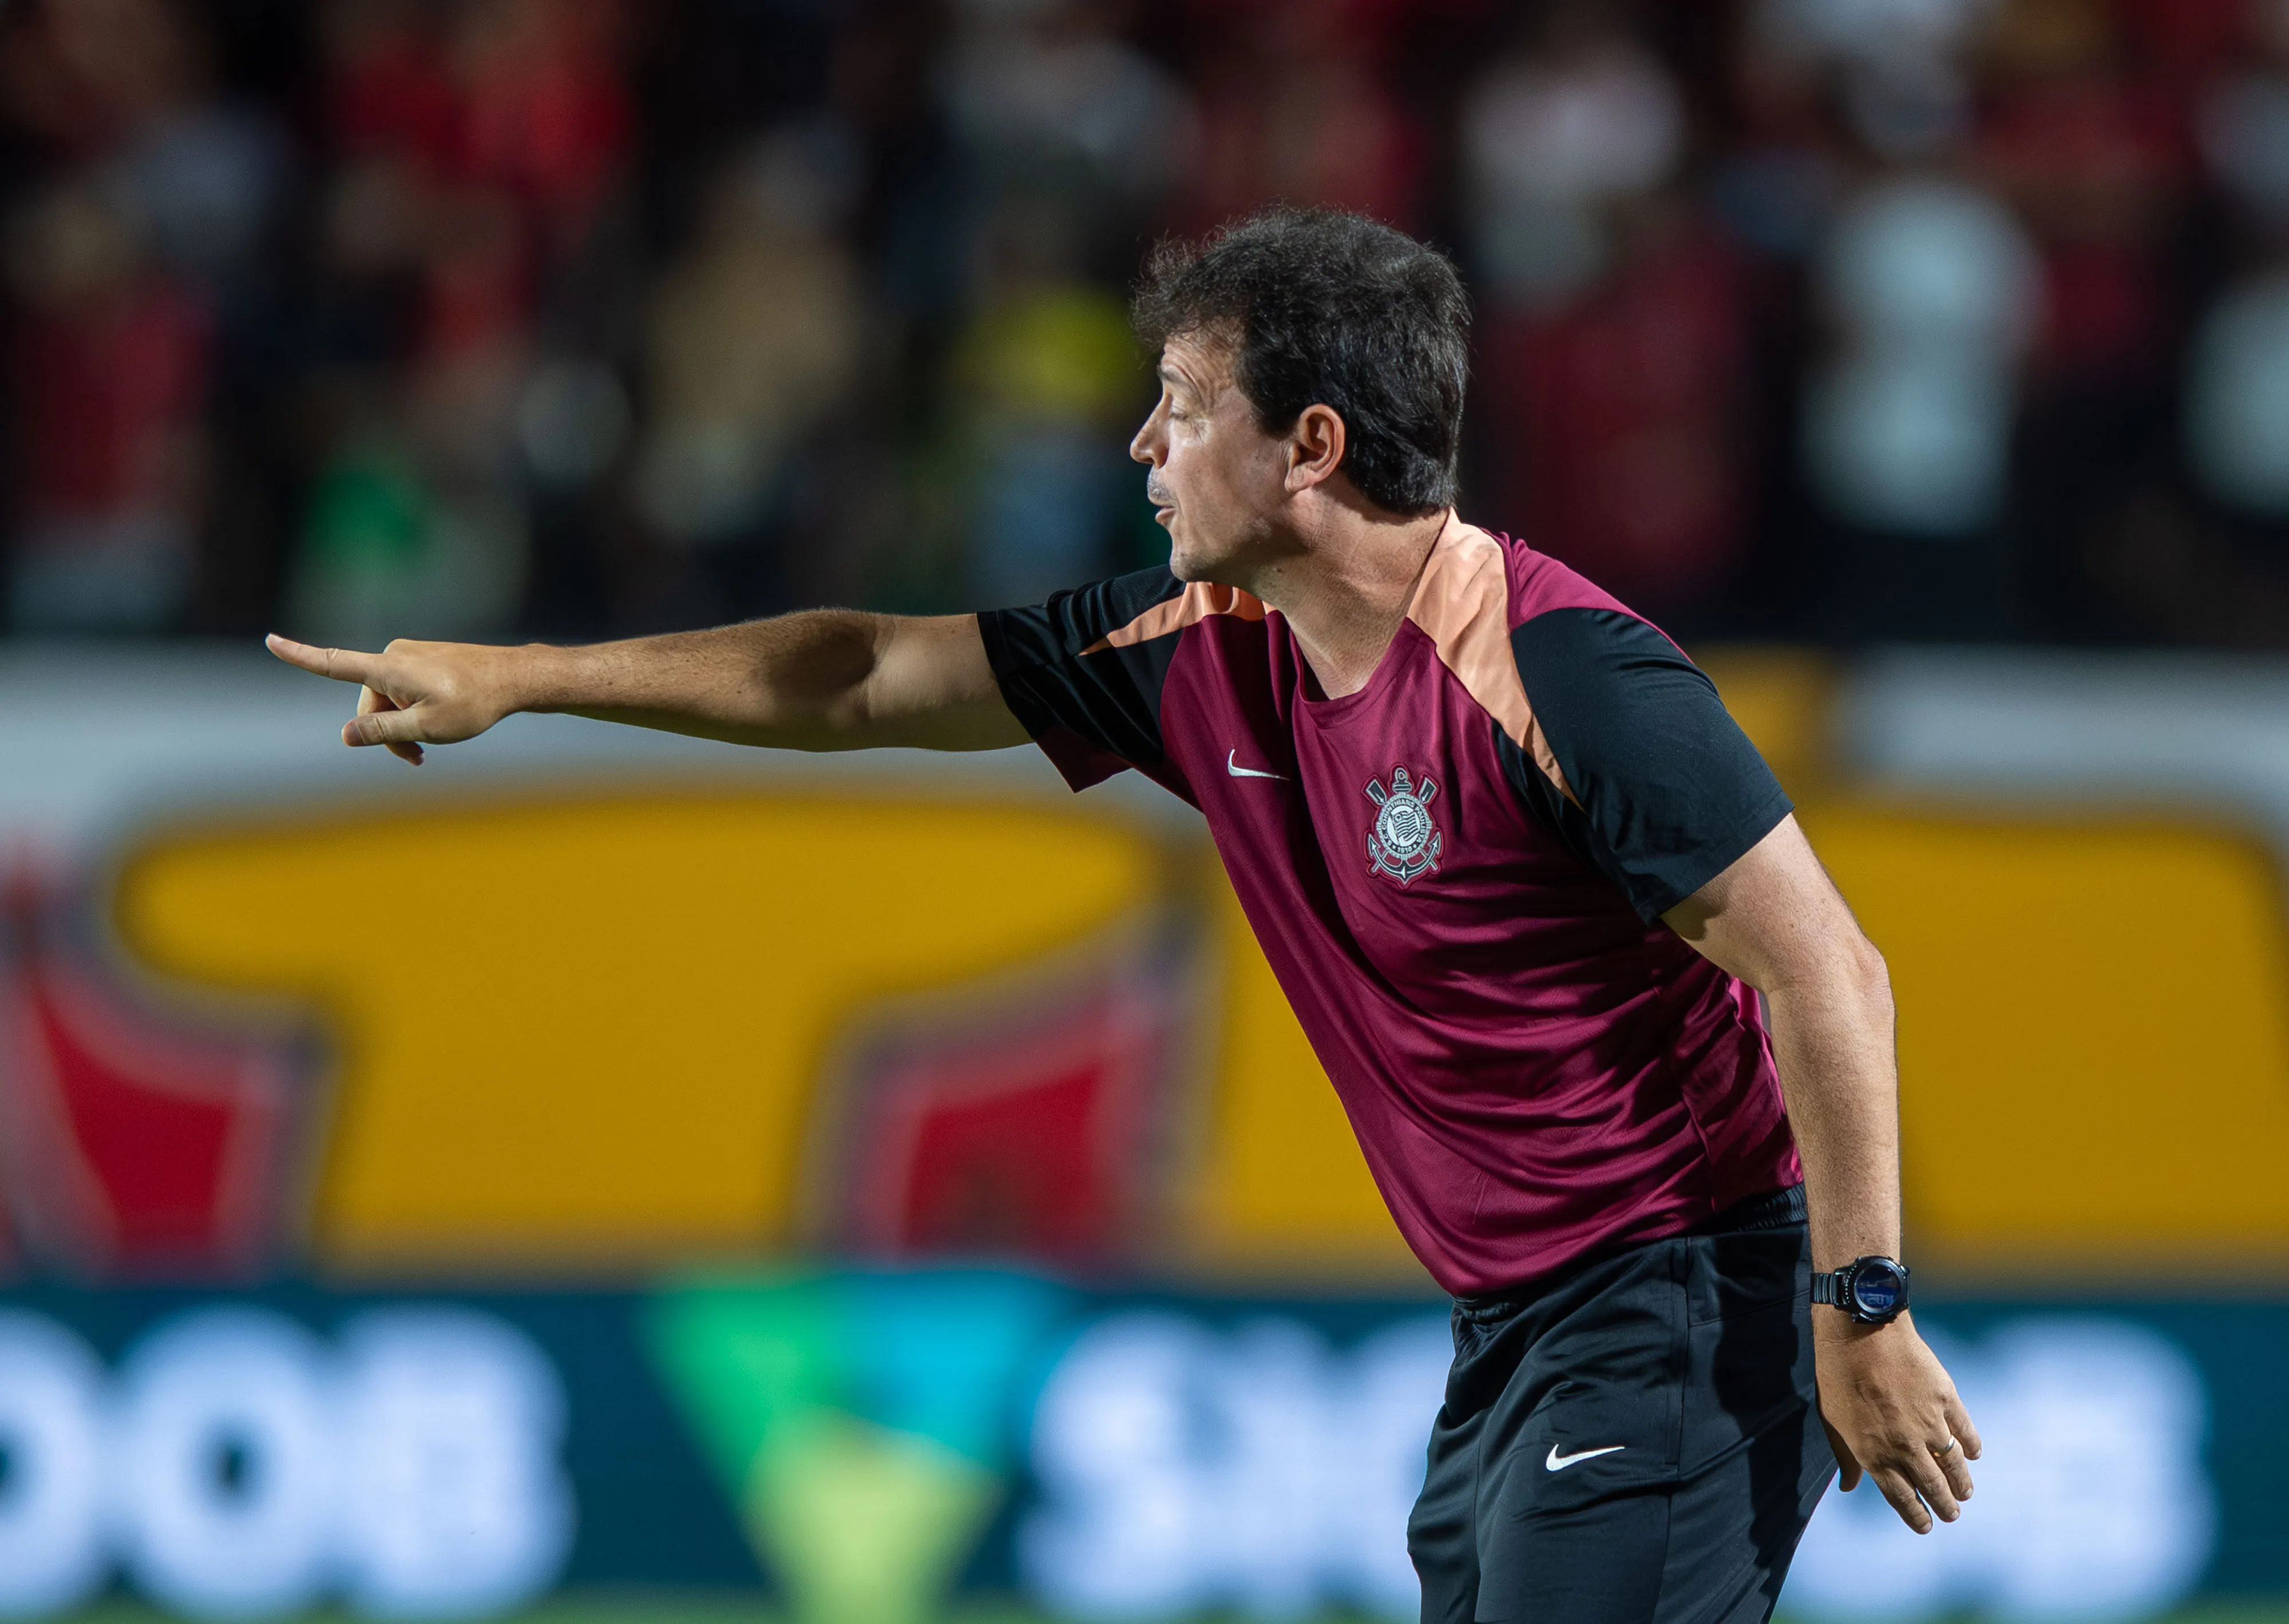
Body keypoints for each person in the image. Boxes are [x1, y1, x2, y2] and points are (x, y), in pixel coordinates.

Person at [268, 208, 1977, 1623]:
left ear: (1310, 447)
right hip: (1519, 1329)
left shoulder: (1564, 674)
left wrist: (1865, 1306)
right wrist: (521, 675)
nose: (1141, 443)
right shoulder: (1191, 650)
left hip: (1681, 1299)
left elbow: (1829, 967)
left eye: (1181, 401)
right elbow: (864, 670)